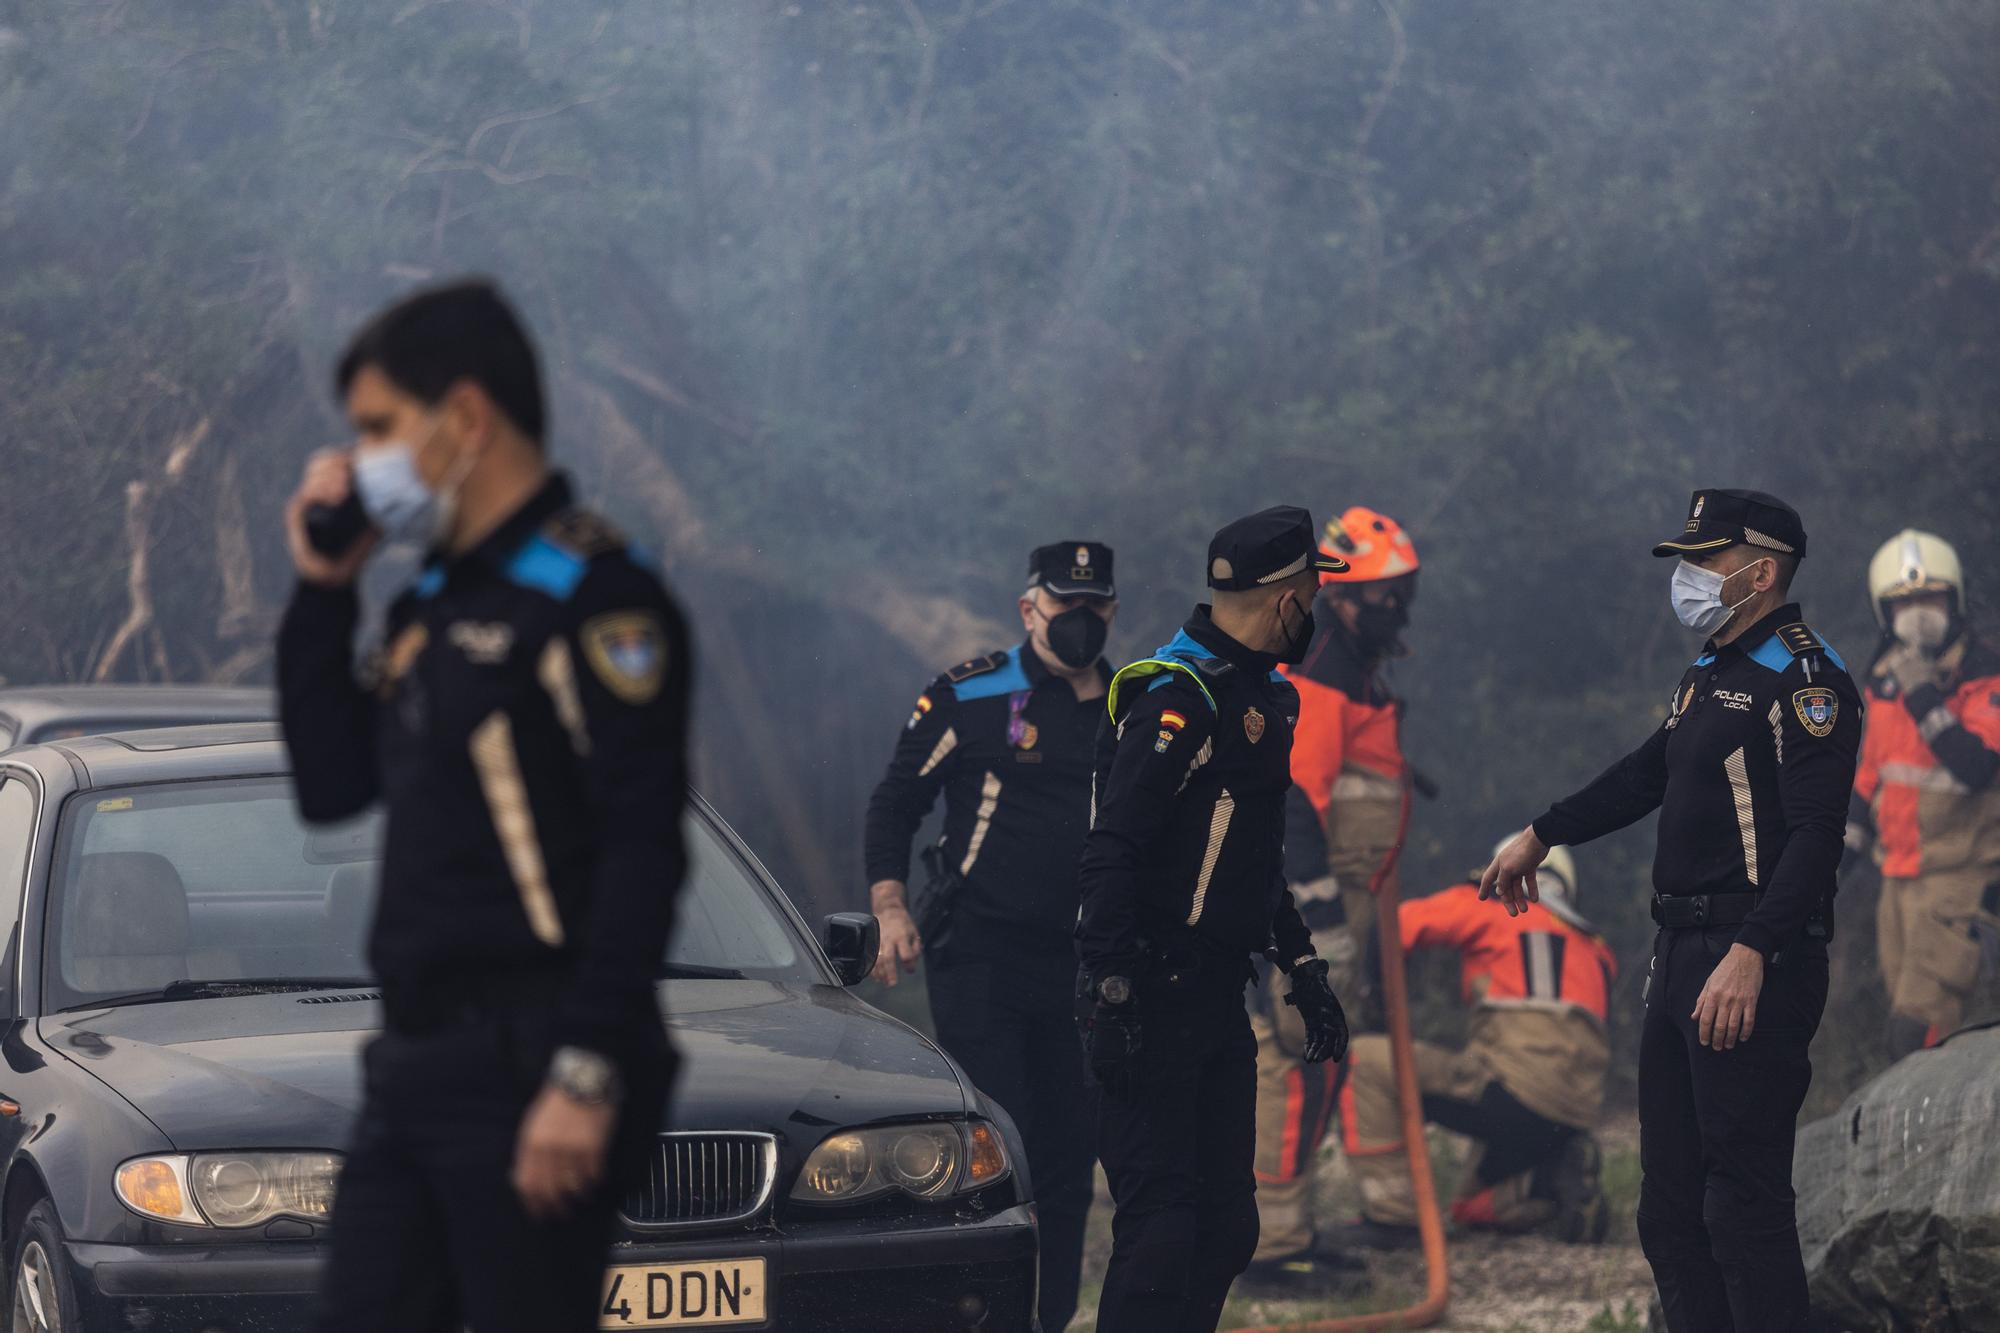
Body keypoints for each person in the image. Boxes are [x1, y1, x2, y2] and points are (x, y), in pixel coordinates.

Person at [279, 280, 690, 1333]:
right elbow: (332, 786)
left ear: (465, 416)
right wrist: (324, 591)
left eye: (376, 427)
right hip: (415, 1057)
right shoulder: (432, 601)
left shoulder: (595, 597)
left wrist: (586, 1072)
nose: (358, 458)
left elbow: (646, 847)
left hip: (539, 1053)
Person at [1483, 488, 1859, 1333]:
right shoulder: (1710, 670)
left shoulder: (1808, 680)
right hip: (1681, 947)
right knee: (1669, 1205)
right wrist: (1543, 832)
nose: (1688, 574)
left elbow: (1816, 836)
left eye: (1706, 558)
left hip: (1753, 955)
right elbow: (1645, 773)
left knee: (1741, 1204)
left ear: (1760, 571)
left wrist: (1755, 950)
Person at [1076, 506, 1353, 1333]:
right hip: (1144, 993)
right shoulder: (1178, 694)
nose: (1316, 611)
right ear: (1287, 599)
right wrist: (1112, 988)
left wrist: (1303, 968)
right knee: (1160, 1229)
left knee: (1228, 1225)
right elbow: (1111, 852)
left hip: (1214, 997)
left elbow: (1253, 860)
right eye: (1313, 594)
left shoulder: (1266, 695)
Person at [861, 540, 1118, 1333]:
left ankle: (1050, 1315)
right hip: (980, 954)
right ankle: (979, 1313)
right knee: (999, 1143)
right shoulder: (969, 694)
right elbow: (897, 800)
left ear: (1110, 610)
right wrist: (891, 906)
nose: (1078, 619)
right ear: (1029, 606)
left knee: (1072, 1151)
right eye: (1063, 603)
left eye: (1093, 606)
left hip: (1085, 961)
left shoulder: (1134, 704)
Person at [1244, 505, 1420, 1291]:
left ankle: (1291, 1228)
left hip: (1346, 900)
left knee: (1321, 1061)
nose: (1398, 607)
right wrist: (1315, 931)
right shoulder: (1317, 669)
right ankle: (1269, 1246)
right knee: (1294, 1061)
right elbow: (1290, 802)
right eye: (1386, 593)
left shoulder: (1355, 661)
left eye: (1403, 591)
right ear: (1340, 595)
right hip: (1309, 913)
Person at [1340, 842, 1616, 1247]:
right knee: (1469, 1208)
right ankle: (1553, 1179)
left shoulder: (1493, 903)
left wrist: (1374, 999)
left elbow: (1392, 926)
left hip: (1512, 1091)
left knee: (1365, 1058)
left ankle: (1391, 1219)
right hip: (1572, 1114)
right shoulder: (1596, 948)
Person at [1849, 529, 2000, 1057]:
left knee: (1918, 1029)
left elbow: (1976, 767)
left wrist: (1923, 695)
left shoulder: (1984, 675)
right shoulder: (1883, 678)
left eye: (1929, 597)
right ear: (1883, 612)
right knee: (1906, 1032)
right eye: (1903, 602)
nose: (1917, 613)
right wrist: (1841, 843)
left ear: (1953, 598)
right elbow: (1872, 771)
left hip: (1958, 878)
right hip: (1899, 878)